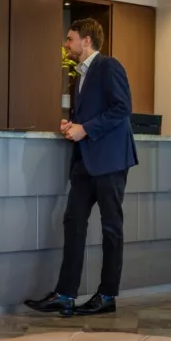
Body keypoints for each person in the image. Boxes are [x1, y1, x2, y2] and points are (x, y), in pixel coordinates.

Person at [25, 18, 137, 317]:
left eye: (70, 38)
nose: (67, 44)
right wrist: (71, 125)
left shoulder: (109, 66)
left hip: (110, 160)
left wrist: (85, 128)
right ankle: (65, 294)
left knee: (111, 228)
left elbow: (122, 108)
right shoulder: (79, 75)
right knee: (73, 223)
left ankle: (107, 295)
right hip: (84, 161)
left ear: (86, 40)